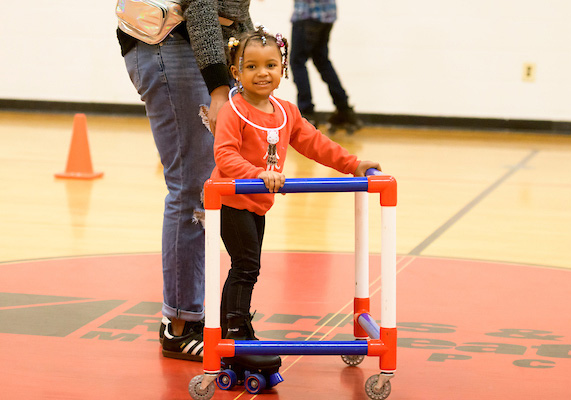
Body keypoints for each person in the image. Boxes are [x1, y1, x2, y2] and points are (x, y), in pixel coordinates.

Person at [212, 26, 380, 350]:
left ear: (283, 68)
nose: (262, 73)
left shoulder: (286, 111)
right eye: (251, 67)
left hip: (258, 203)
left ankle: (235, 327)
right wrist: (257, 174)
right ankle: (234, 333)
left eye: (270, 65)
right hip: (230, 200)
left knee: (248, 267)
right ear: (236, 71)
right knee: (246, 265)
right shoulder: (233, 111)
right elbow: (224, 155)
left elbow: (315, 143)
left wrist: (353, 164)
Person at [116, 0, 253, 361]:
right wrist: (220, 87)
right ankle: (179, 325)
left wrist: (246, 54)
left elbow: (234, 10)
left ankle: (196, 315)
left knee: (203, 187)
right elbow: (202, 5)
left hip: (185, 47)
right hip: (173, 45)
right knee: (191, 189)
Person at [289, 0, 360, 131]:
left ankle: (307, 113)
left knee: (298, 62)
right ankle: (344, 109)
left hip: (307, 14)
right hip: (327, 14)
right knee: (322, 62)